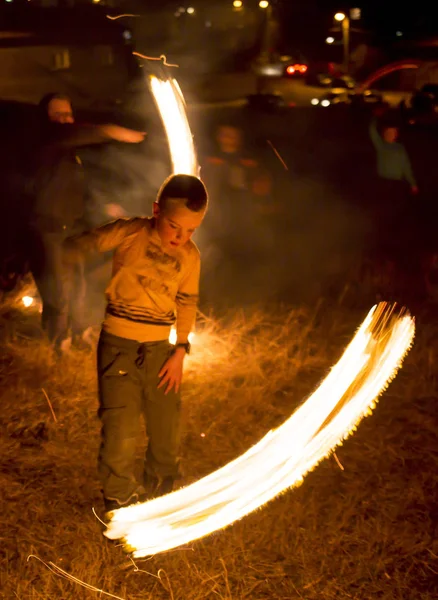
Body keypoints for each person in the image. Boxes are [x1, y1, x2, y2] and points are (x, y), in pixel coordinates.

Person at [63, 174, 208, 512]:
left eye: (191, 231)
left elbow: (187, 300)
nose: (180, 237)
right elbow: (84, 244)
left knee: (165, 423)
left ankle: (162, 482)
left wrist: (180, 350)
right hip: (120, 347)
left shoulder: (190, 256)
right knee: (121, 426)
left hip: (160, 349)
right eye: (174, 226)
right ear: (156, 210)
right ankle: (120, 495)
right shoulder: (131, 232)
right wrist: (63, 261)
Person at [28, 92, 145, 352]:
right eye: (57, 114)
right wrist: (111, 131)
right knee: (57, 291)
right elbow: (72, 135)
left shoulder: (70, 153)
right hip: (49, 229)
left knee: (79, 285)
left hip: (72, 228)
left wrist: (106, 206)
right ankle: (58, 345)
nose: (64, 119)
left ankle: (79, 333)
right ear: (45, 117)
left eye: (68, 114)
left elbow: (77, 185)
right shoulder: (45, 140)